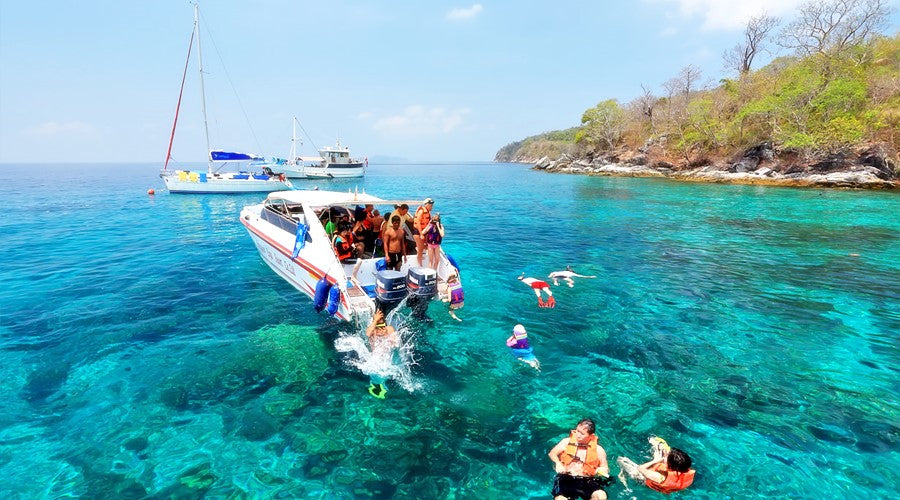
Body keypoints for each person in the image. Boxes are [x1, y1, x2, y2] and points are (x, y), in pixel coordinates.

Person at [548, 418, 613, 500]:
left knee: (601, 496)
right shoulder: (566, 442)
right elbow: (552, 453)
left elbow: (605, 467)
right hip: (566, 477)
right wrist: (558, 463)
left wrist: (601, 470)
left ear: (590, 436)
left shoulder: (599, 450)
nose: (578, 435)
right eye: (577, 431)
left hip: (587, 480)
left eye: (582, 433)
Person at [616, 438, 695, 495]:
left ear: (670, 466)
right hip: (669, 478)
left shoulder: (659, 477)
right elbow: (671, 455)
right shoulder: (683, 465)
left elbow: (640, 468)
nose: (665, 456)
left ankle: (623, 474)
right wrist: (659, 445)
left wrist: (655, 460)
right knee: (657, 447)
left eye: (666, 457)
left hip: (644, 478)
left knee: (621, 460)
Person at [365, 308, 400, 399]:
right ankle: (376, 387)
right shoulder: (373, 332)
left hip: (387, 359)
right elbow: (368, 334)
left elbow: (396, 343)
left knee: (385, 376)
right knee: (376, 377)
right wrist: (376, 320)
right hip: (375, 360)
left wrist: (389, 338)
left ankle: (383, 388)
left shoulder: (389, 329)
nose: (380, 330)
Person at [413, 198, 434, 266]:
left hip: (424, 232)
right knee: (420, 249)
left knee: (427, 246)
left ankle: (421, 258)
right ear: (426, 205)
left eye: (432, 205)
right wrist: (421, 234)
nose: (431, 207)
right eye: (430, 205)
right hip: (418, 232)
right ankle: (420, 265)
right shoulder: (421, 211)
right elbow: (418, 222)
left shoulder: (427, 212)